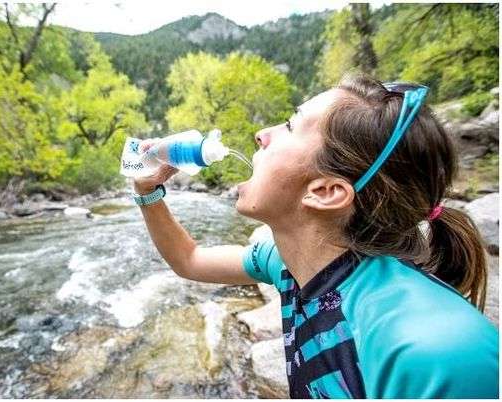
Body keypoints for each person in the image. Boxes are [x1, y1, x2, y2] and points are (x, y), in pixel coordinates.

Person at [131, 75, 499, 399]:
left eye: (291, 126)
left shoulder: (437, 350)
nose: (261, 134)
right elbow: (189, 260)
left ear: (325, 192)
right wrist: (147, 190)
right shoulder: (288, 264)